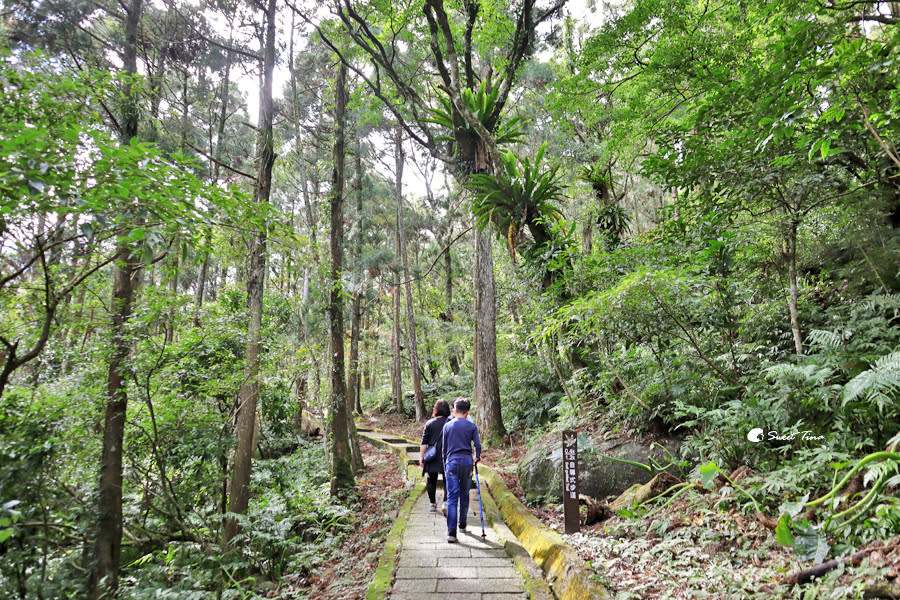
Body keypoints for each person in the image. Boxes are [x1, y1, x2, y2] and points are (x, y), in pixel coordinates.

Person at [441, 398, 481, 543]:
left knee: (452, 498)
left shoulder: (447, 426)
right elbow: (477, 445)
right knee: (464, 495)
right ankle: (462, 524)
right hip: (467, 463)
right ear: (468, 412)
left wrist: (445, 466)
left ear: (454, 410)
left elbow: (444, 450)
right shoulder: (471, 426)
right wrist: (476, 457)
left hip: (451, 463)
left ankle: (452, 532)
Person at [419, 399, 451, 512]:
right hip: (447, 454)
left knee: (431, 479)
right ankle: (446, 502)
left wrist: (421, 457)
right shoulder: (450, 422)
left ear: (436, 410)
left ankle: (432, 503)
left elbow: (424, 443)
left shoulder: (429, 423)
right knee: (447, 479)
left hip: (432, 456)